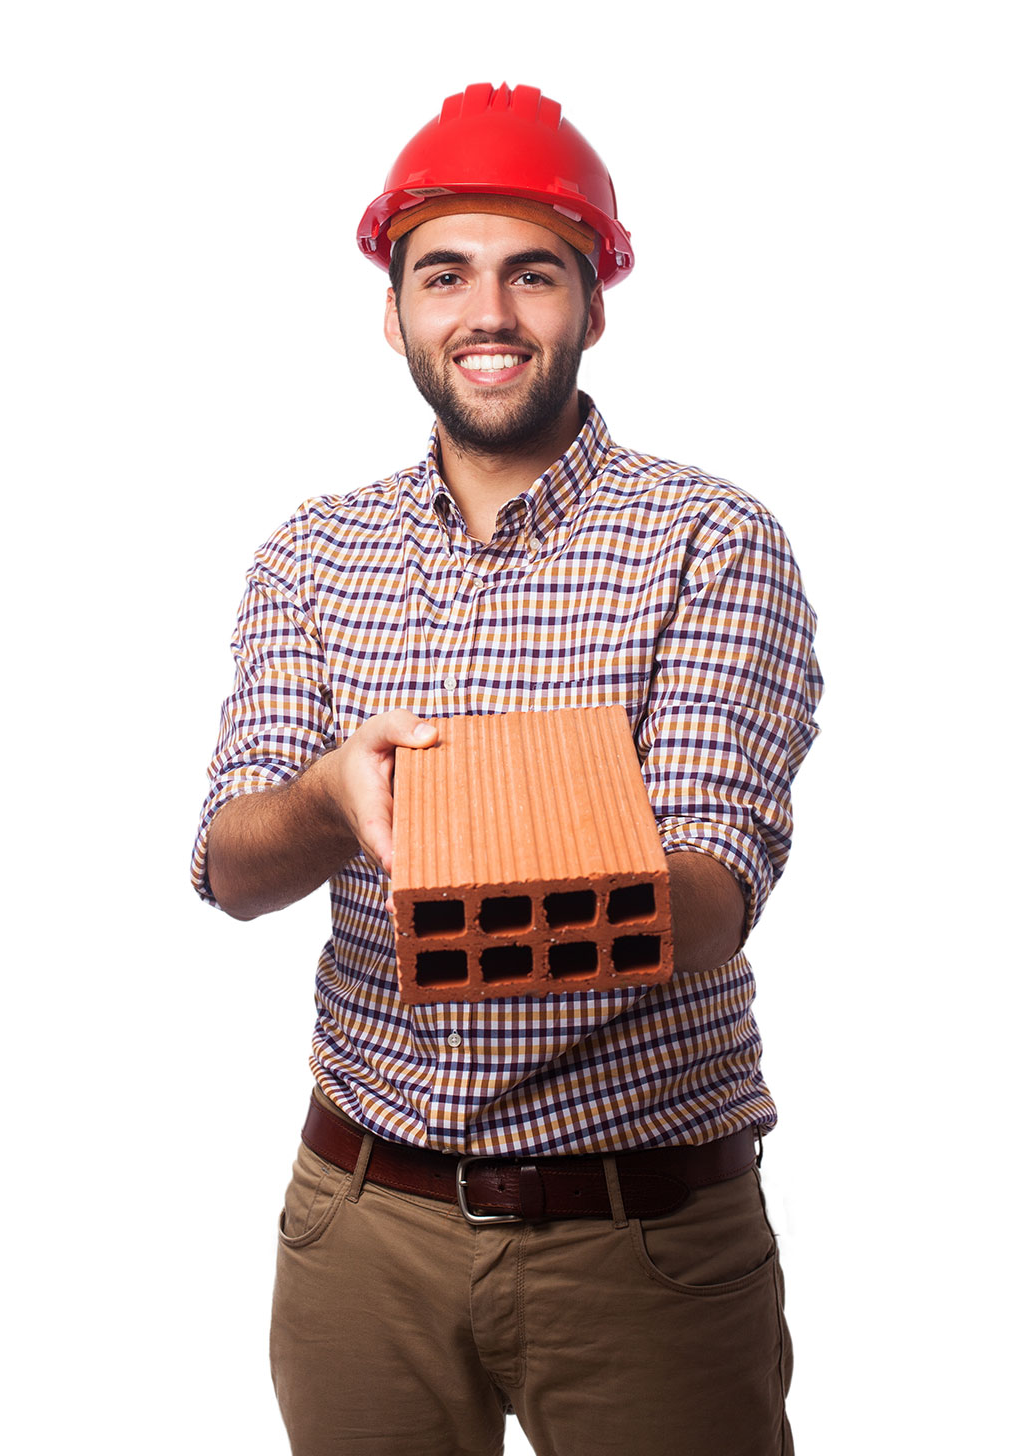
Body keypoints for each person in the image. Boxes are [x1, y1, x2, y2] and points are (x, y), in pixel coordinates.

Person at [192, 81, 822, 1456]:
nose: (488, 315)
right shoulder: (312, 556)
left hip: (640, 1236)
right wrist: (326, 801)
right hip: (363, 1226)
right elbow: (233, 866)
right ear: (393, 309)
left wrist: (514, 848)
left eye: (533, 273)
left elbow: (711, 891)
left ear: (592, 302)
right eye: (445, 275)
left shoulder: (709, 542)